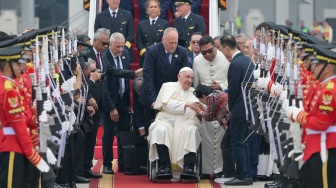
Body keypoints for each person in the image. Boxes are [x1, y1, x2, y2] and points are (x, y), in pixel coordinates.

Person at [284, 45, 336, 188]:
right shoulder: (323, 86)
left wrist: (298, 114)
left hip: (324, 147)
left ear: (328, 68)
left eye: (317, 65)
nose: (313, 67)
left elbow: (321, 123)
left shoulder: (328, 91)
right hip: (314, 145)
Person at [0, 46, 50, 187]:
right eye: (18, 63)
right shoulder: (8, 89)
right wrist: (33, 156)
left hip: (17, 144)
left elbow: (23, 117)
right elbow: (18, 126)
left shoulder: (11, 86)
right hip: (11, 146)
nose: (22, 66)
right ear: (8, 67)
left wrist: (36, 116)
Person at [148, 67, 201, 181]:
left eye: (191, 78)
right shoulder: (168, 86)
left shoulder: (193, 92)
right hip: (166, 121)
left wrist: (198, 109)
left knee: (191, 130)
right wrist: (186, 104)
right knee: (159, 130)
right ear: (179, 76)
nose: (189, 80)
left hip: (186, 122)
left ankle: (189, 167)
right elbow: (167, 105)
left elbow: (199, 109)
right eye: (187, 77)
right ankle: (164, 166)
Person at [138, 27, 189, 136]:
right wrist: (154, 100)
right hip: (152, 96)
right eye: (171, 43)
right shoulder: (152, 51)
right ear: (163, 40)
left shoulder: (182, 52)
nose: (173, 46)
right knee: (152, 134)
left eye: (176, 42)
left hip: (172, 100)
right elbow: (148, 77)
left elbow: (184, 76)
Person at [192, 35, 230, 179]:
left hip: (222, 103)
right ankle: (206, 170)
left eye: (210, 51)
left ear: (215, 46)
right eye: (204, 52)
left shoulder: (225, 58)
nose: (207, 55)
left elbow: (231, 81)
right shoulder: (197, 61)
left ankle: (220, 169)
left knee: (220, 138)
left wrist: (221, 86)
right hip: (205, 103)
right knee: (206, 138)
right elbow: (195, 84)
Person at [220, 34, 255, 185]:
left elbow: (233, 90)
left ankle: (242, 176)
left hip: (239, 110)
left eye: (222, 49)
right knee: (243, 143)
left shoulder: (235, 64)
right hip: (249, 108)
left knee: (237, 143)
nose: (222, 53)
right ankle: (246, 174)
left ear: (227, 48)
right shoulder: (247, 61)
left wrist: (231, 106)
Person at [102, 32, 134, 174]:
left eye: (122, 46)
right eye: (117, 47)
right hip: (109, 102)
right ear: (110, 45)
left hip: (123, 100)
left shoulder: (126, 54)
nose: (120, 49)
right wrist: (111, 108)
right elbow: (104, 86)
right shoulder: (104, 57)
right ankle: (107, 163)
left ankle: (123, 163)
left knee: (124, 133)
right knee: (108, 134)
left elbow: (125, 78)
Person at [136, 0, 169, 68]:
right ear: (147, 9)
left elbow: (166, 41)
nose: (153, 9)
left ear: (159, 9)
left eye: (155, 7)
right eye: (151, 7)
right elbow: (139, 41)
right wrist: (144, 53)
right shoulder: (141, 24)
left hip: (160, 57)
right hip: (145, 56)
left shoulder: (165, 23)